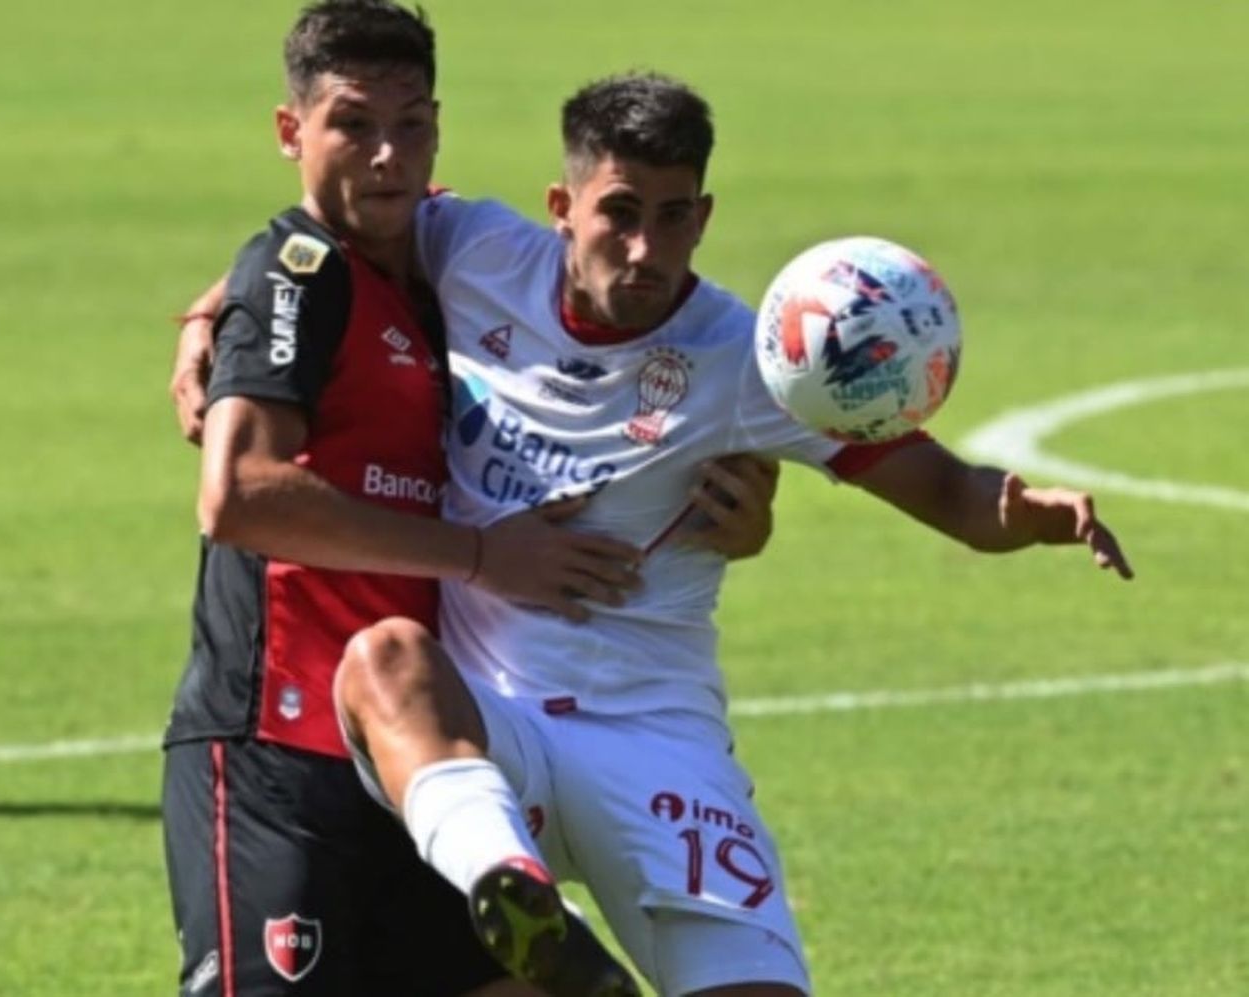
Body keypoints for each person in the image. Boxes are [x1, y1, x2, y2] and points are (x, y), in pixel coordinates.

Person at [326, 72, 1134, 997]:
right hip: (499, 731)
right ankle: (511, 891)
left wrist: (1024, 514)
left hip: (654, 739)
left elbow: (948, 489)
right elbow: (329, 233)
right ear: (561, 205)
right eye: (619, 213)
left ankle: (541, 924)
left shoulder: (753, 364)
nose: (645, 249)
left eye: (673, 218)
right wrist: (215, 313)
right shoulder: (469, 247)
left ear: (703, 218)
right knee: (385, 659)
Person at [161, 5, 772, 995]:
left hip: (422, 753)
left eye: (410, 125)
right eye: (354, 125)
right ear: (292, 132)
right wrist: (483, 555)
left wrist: (744, 511)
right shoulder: (296, 275)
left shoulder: (450, 265)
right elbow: (236, 494)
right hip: (281, 746)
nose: (388, 155)